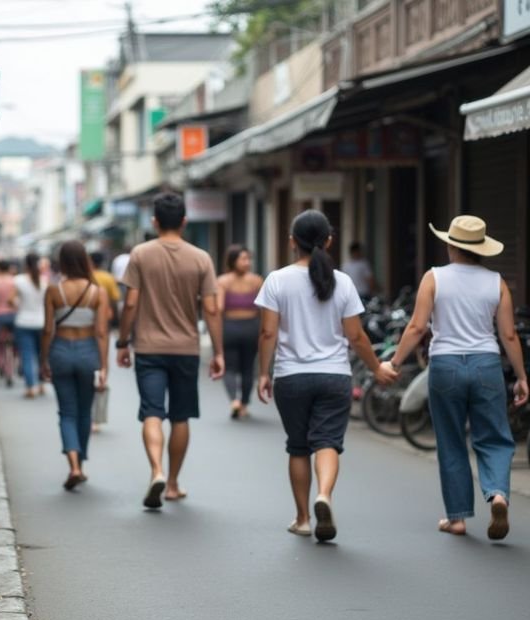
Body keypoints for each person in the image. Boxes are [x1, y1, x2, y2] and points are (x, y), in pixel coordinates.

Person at [255, 210, 397, 542]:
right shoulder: (343, 282)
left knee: (299, 447)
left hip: (291, 377)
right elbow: (357, 337)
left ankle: (303, 518)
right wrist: (377, 368)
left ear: (292, 242)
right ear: (329, 241)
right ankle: (325, 496)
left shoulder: (276, 280)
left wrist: (263, 373)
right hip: (334, 377)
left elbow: (267, 334)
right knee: (328, 442)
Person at [387, 215, 528, 540]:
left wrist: (394, 362)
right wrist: (521, 376)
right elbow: (508, 335)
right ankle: (498, 495)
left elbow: (417, 327)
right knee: (494, 436)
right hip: (486, 365)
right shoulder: (496, 282)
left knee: (451, 441)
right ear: (481, 248)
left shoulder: (434, 278)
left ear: (451, 244)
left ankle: (458, 518)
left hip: (445, 365)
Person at [116, 192, 225, 509]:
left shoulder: (140, 254)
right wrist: (218, 352)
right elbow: (212, 310)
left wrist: (123, 342)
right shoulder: (201, 258)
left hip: (148, 347)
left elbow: (131, 303)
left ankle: (157, 471)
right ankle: (173, 483)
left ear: (154, 222)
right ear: (184, 221)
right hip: (186, 348)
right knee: (180, 416)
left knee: (151, 412)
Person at [41, 241, 109, 491]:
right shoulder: (97, 292)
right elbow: (101, 332)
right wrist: (104, 367)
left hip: (60, 350)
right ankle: (80, 462)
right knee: (84, 412)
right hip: (87, 351)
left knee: (66, 412)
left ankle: (73, 466)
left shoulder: (53, 291)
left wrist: (43, 360)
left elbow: (48, 329)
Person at [217, 245, 264, 419]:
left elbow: (219, 308)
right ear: (233, 261)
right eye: (243, 259)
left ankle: (234, 401)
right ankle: (243, 404)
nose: (247, 262)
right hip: (251, 327)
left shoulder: (222, 281)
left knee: (229, 367)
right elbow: (264, 308)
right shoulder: (257, 281)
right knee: (247, 368)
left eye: (248, 259)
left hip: (229, 327)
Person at [13, 253, 48, 398]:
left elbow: (12, 300)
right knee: (41, 355)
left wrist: (18, 304)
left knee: (27, 356)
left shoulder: (18, 280)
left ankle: (30, 387)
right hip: (42, 322)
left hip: (23, 321)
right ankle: (41, 384)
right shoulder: (44, 280)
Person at [0, 260, 18, 379]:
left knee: (0, 343)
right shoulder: (14, 281)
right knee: (14, 343)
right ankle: (12, 365)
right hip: (13, 315)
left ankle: (1, 363)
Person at [90, 251, 121, 323]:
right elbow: (115, 299)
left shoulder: (87, 277)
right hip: (106, 314)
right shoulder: (109, 277)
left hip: (89, 315)